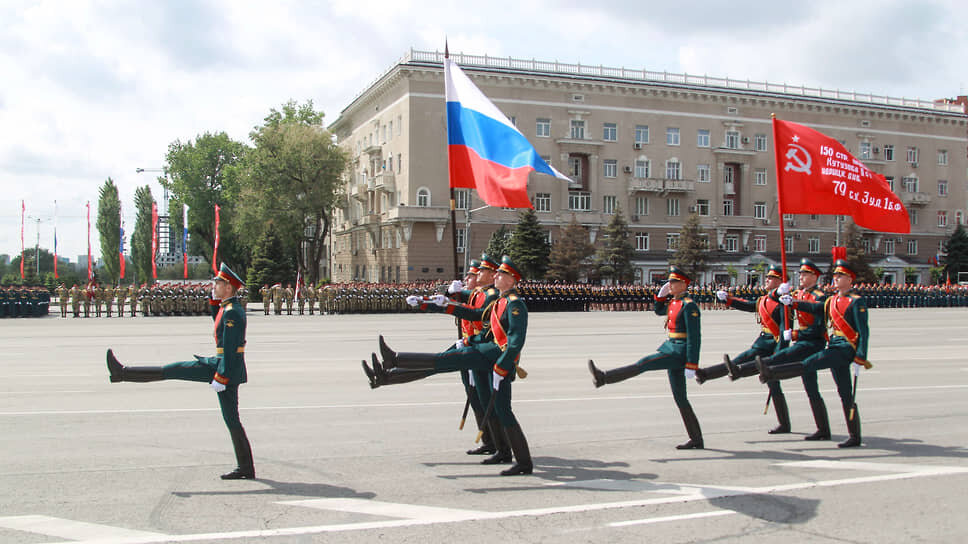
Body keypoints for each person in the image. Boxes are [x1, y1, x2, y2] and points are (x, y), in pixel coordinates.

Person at [368, 256, 533, 476]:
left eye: (500, 274)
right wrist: (443, 305)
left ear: (512, 279)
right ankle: (508, 453)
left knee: (449, 363)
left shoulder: (515, 304)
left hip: (496, 359)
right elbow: (475, 315)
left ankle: (395, 361)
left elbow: (515, 342)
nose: (495, 276)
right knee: (498, 407)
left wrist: (502, 366)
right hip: (488, 354)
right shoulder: (501, 301)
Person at [106, 263, 254, 478]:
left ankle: (123, 373)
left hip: (223, 368)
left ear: (229, 288)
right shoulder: (227, 309)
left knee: (173, 370)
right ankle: (246, 468)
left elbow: (231, 350)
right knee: (231, 419)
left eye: (218, 283)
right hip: (224, 367)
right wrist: (213, 298)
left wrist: (221, 376)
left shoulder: (233, 313)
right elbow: (217, 320)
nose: (215, 285)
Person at [587, 266, 704, 449]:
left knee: (644, 364)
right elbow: (658, 311)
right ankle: (696, 439)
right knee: (680, 398)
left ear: (684, 284)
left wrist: (692, 363)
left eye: (674, 282)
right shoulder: (674, 302)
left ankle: (605, 377)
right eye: (669, 282)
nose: (670, 285)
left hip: (678, 352)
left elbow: (695, 337)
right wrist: (660, 295)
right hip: (671, 347)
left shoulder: (689, 306)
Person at [758, 259, 870, 448]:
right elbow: (815, 308)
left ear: (850, 279)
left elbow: (863, 332)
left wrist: (861, 357)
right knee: (845, 392)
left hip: (845, 348)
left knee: (811, 362)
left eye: (840, 276)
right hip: (834, 344)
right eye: (835, 275)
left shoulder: (856, 301)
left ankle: (773, 372)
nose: (835, 278)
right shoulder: (832, 300)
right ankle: (840, 433)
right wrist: (793, 303)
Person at [694, 264, 792, 434]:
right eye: (767, 277)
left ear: (780, 282)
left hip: (772, 345)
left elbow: (784, 331)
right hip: (762, 342)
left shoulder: (783, 303)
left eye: (771, 278)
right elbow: (749, 305)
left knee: (771, 383)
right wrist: (729, 300)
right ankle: (706, 374)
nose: (767, 279)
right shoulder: (764, 299)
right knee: (754, 371)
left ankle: (784, 424)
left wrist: (780, 353)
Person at [754, 259, 832, 440]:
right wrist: (779, 292)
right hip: (802, 343)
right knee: (810, 386)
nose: (801, 277)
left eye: (805, 274)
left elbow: (818, 329)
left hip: (813, 343)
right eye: (801, 274)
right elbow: (774, 300)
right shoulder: (799, 294)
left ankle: (823, 429)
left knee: (808, 384)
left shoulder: (820, 297)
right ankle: (821, 429)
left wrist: (794, 334)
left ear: (814, 276)